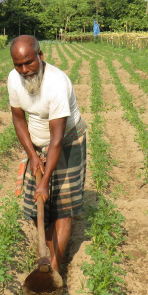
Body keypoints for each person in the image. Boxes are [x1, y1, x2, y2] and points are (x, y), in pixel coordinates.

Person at [8, 35, 87, 274]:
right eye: (18, 65)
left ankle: (53, 270)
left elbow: (56, 140)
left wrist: (45, 182)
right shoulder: (14, 80)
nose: (24, 70)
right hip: (37, 145)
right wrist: (32, 156)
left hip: (67, 142)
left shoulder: (57, 84)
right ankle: (51, 252)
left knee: (62, 208)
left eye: (29, 62)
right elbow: (18, 119)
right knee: (37, 209)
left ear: (40, 56)